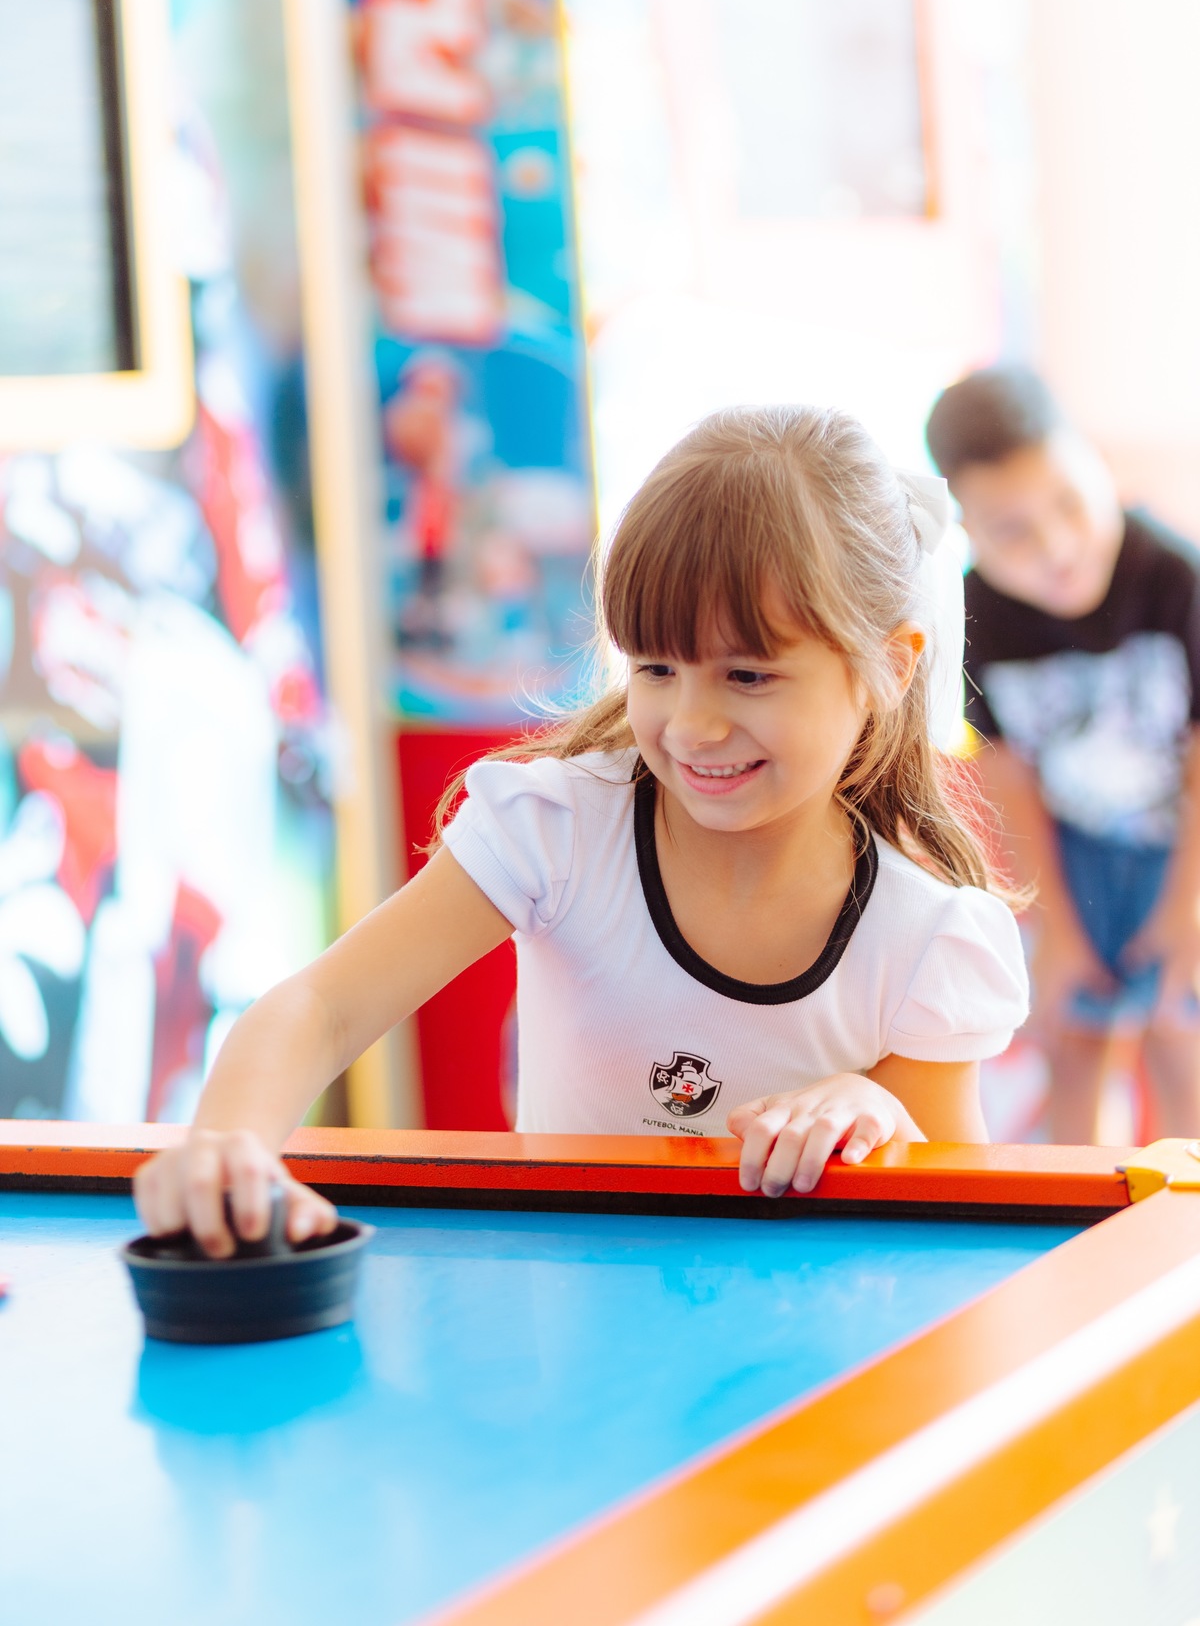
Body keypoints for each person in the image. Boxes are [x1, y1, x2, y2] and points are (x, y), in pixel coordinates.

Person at [134, 405, 1028, 1255]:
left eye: (748, 675)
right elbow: (323, 1009)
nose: (692, 726)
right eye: (657, 668)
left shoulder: (928, 939)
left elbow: (952, 1231)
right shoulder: (557, 829)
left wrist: (882, 1120)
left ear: (890, 667)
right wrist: (228, 1148)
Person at [925, 366, 1200, 1143]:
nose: (1056, 548)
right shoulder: (977, 615)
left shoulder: (1175, 576)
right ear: (968, 530)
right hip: (1073, 857)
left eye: (1071, 504)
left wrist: (1185, 911)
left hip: (1179, 849)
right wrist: (1057, 926)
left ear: (1099, 466)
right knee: (1075, 1039)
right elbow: (1006, 775)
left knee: (1179, 1037)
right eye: (1011, 531)